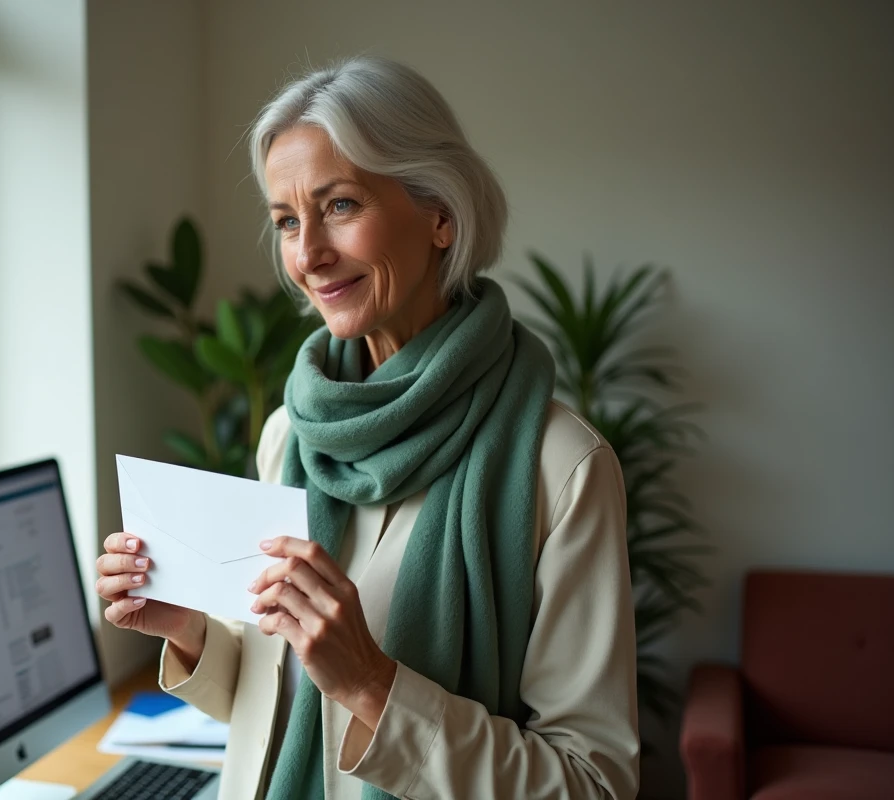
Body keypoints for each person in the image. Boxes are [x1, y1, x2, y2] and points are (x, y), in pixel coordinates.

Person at [96, 56, 639, 800]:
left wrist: (376, 688)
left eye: (341, 205)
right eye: (287, 221)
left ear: (441, 214)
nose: (308, 254)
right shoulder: (291, 435)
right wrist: (188, 628)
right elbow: (282, 707)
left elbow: (595, 783)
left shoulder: (563, 466)